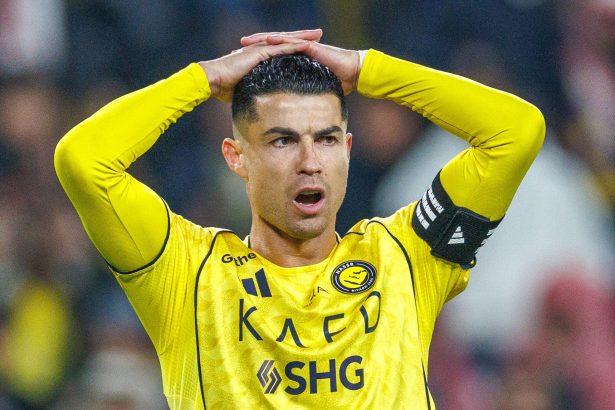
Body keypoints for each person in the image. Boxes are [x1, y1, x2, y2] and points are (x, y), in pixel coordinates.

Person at [54, 29, 545, 409]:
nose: (311, 162)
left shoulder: (404, 256)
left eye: (327, 139)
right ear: (236, 157)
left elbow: (516, 133)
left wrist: (367, 70)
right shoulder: (187, 273)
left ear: (347, 149)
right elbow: (84, 160)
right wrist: (206, 79)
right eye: (283, 140)